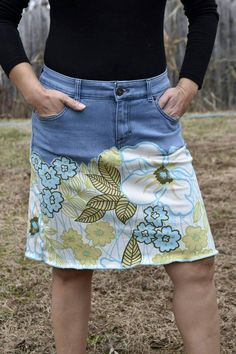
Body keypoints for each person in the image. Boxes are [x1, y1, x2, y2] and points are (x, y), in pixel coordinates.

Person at [0, 0, 221, 353]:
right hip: (69, 118)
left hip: (150, 116)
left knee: (196, 262)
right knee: (70, 267)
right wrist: (32, 91)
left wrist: (189, 85)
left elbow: (203, 10)